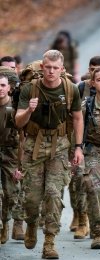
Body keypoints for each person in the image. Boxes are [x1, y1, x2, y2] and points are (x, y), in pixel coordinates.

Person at [15, 50, 84, 259]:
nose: (51, 71)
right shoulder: (29, 89)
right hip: (34, 146)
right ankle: (31, 224)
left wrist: (78, 147)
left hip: (60, 146)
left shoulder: (71, 90)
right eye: (48, 67)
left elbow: (78, 118)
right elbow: (18, 122)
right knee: (31, 198)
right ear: (42, 67)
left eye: (56, 68)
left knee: (54, 195)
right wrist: (29, 111)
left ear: (62, 69)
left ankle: (49, 242)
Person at [68, 55, 100, 235]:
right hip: (81, 143)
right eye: (92, 69)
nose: (94, 73)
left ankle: (93, 221)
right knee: (77, 180)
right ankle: (80, 216)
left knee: (92, 184)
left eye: (98, 69)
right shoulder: (81, 88)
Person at [78, 67, 100, 249]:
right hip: (95, 151)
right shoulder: (87, 105)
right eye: (99, 80)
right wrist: (75, 150)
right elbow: (76, 127)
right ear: (93, 83)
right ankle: (98, 232)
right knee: (93, 189)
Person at [0, 61, 25, 243]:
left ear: (9, 88)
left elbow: (23, 139)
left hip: (11, 153)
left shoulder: (15, 109)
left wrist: (20, 165)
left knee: (10, 193)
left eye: (2, 85)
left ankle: (6, 221)